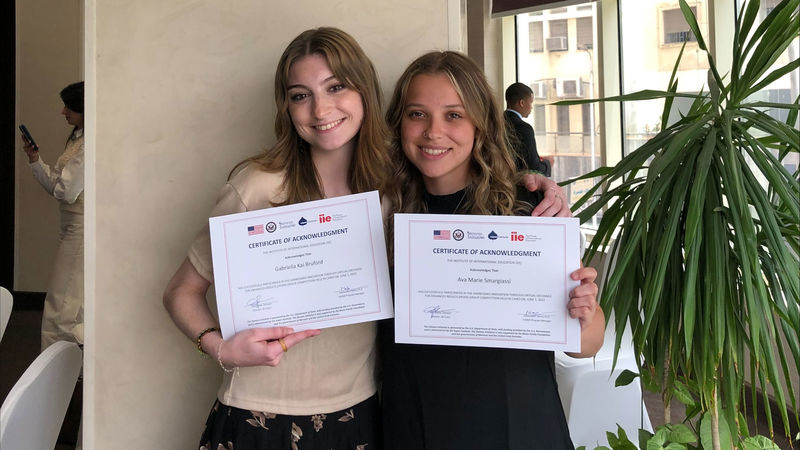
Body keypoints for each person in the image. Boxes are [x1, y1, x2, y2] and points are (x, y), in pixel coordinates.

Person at [163, 27, 570, 450]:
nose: (321, 109)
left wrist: (532, 183)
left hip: (363, 415)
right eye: (301, 94)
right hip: (260, 415)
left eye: (336, 87)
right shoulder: (258, 187)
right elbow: (180, 292)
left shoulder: (394, 189)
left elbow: (464, 176)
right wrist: (219, 350)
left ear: (364, 94)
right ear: (287, 106)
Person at [380, 51, 605, 450]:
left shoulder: (527, 207)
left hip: (518, 424)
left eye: (454, 115)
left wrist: (583, 311)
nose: (433, 132)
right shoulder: (383, 212)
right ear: (399, 123)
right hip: (414, 423)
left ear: (481, 124)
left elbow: (586, 343)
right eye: (417, 114)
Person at [21, 81, 86, 352]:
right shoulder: (77, 137)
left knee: (61, 305)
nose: (63, 111)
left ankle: (54, 371)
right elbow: (59, 187)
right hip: (70, 224)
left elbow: (66, 191)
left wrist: (57, 183)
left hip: (81, 228)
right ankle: (73, 369)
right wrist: (35, 160)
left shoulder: (91, 142)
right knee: (73, 302)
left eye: (69, 106)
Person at [504, 82, 550, 176]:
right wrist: (547, 164)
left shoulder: (494, 123)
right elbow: (533, 167)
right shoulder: (524, 128)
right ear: (522, 103)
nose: (531, 107)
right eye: (531, 103)